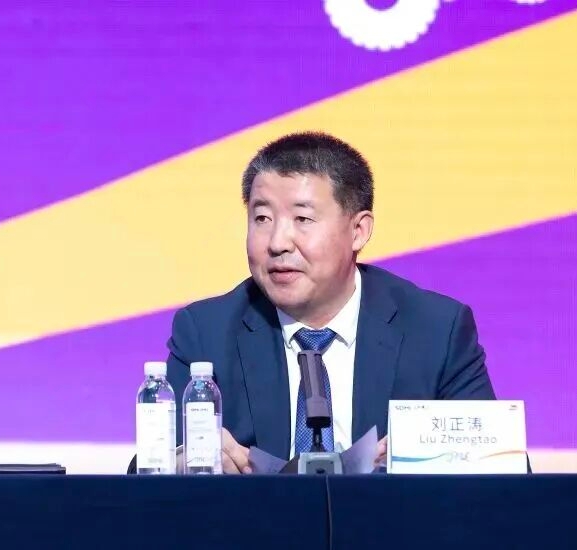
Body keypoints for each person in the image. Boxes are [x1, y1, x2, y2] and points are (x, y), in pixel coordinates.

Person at [132, 131, 495, 474]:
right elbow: (143, 474)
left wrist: (418, 462)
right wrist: (183, 464)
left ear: (358, 231)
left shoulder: (436, 329)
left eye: (303, 218)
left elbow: (498, 469)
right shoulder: (206, 332)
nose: (278, 242)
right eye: (262, 218)